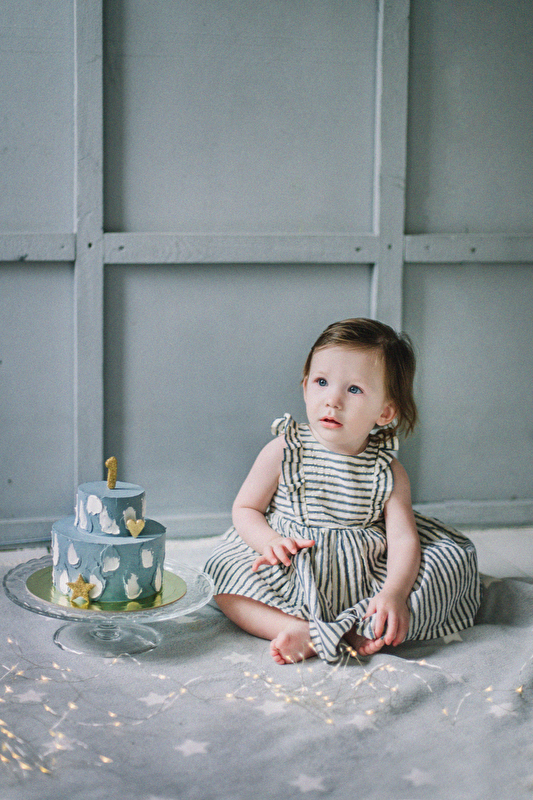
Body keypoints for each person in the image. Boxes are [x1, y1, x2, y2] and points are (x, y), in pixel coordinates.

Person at [204, 318, 481, 664]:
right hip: (293, 563)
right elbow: (246, 509)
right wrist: (269, 542)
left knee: (447, 566)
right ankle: (298, 628)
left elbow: (403, 539)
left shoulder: (388, 470)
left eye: (354, 389)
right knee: (223, 572)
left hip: (362, 571)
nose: (332, 400)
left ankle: (360, 624)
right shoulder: (283, 450)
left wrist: (394, 593)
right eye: (321, 382)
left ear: (385, 412)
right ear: (306, 388)